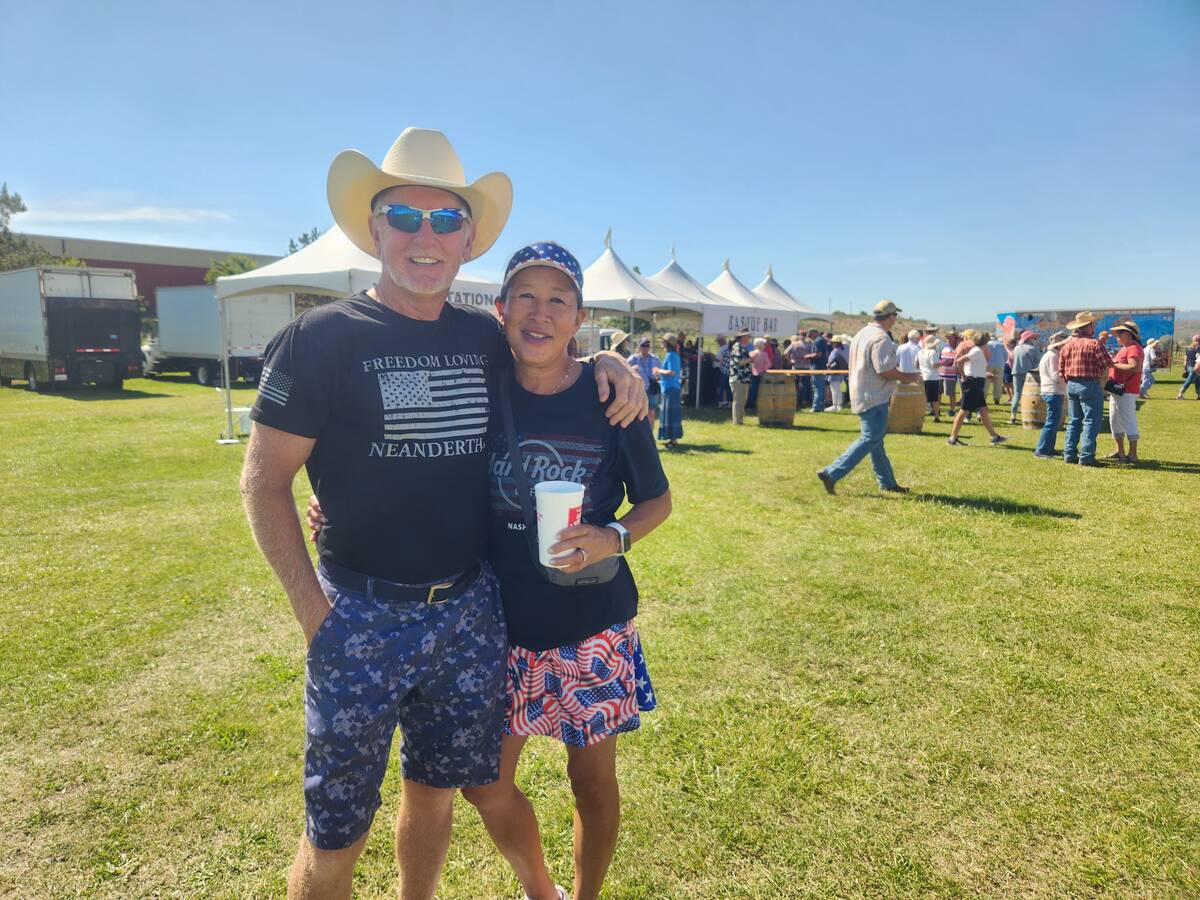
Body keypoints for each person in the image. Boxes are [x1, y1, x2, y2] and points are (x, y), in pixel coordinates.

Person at [238, 128, 645, 900]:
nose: (425, 236)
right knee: (335, 832)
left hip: (468, 612)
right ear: (373, 228)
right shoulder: (318, 341)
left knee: (435, 793)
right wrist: (314, 615)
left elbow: (548, 344)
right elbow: (263, 484)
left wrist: (609, 361)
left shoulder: (484, 339)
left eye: (446, 220)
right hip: (358, 613)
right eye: (404, 215)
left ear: (467, 242)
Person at [816, 300, 921, 495]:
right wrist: (907, 376)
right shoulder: (881, 338)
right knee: (870, 438)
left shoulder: (862, 334)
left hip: (861, 391)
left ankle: (887, 482)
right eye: (895, 316)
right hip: (874, 395)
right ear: (890, 317)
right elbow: (885, 370)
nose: (896, 320)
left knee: (876, 440)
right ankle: (832, 473)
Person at [1058, 310, 1113, 466]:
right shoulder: (1095, 344)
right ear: (1089, 326)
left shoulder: (1067, 346)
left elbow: (1061, 369)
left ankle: (1069, 454)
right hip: (1089, 384)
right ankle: (1087, 457)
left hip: (1072, 385)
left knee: (1074, 421)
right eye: (1093, 324)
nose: (1095, 326)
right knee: (1091, 421)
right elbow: (1107, 364)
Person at [945, 334, 1007, 447]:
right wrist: (963, 376)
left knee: (983, 410)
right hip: (972, 384)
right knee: (963, 411)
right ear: (985, 342)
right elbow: (959, 361)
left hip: (976, 383)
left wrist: (984, 374)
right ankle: (952, 439)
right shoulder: (977, 351)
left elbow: (973, 367)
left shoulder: (977, 351)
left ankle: (994, 436)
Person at [1107, 321, 1144, 462]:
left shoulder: (1133, 348)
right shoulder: (1127, 348)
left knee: (1128, 420)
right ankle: (1120, 451)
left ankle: (1132, 454)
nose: (1116, 336)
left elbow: (1135, 367)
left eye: (1119, 333)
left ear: (1128, 334)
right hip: (1119, 390)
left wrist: (1114, 365)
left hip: (1126, 390)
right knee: (1115, 420)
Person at [1033, 331, 1070, 458]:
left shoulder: (1050, 355)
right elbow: (1056, 377)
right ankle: (1042, 450)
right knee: (1052, 422)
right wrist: (1068, 372)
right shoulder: (1054, 356)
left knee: (1053, 422)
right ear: (1059, 345)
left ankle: (1049, 448)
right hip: (1053, 391)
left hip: (1051, 391)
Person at [655, 336, 683, 448]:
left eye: (663, 342)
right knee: (672, 415)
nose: (661, 344)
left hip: (670, 388)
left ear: (667, 344)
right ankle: (673, 439)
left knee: (670, 415)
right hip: (672, 387)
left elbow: (672, 372)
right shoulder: (675, 355)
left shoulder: (671, 355)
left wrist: (658, 370)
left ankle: (673, 440)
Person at [1009, 330, 1042, 424]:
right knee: (1030, 395)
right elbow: (1038, 362)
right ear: (1029, 338)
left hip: (1016, 373)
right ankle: (1029, 415)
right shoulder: (1033, 349)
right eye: (1033, 338)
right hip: (1029, 374)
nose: (1034, 339)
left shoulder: (1016, 348)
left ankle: (1013, 415)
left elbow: (1011, 360)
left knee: (1017, 394)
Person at [627, 338, 660, 430]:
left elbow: (659, 373)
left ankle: (650, 435)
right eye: (643, 345)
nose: (646, 348)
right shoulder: (633, 358)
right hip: (638, 388)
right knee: (638, 412)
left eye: (647, 345)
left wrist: (657, 374)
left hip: (652, 387)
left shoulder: (655, 358)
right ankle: (640, 433)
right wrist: (632, 368)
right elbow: (624, 369)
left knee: (651, 412)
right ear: (639, 347)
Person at [728, 330, 752, 424]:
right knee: (738, 400)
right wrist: (751, 359)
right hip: (738, 378)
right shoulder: (737, 347)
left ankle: (739, 420)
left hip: (743, 378)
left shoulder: (742, 347)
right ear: (743, 337)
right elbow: (739, 362)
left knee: (742, 400)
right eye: (748, 336)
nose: (749, 338)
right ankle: (737, 421)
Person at [918, 334, 943, 422]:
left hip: (923, 377)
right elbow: (934, 365)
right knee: (934, 399)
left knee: (923, 398)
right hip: (932, 377)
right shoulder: (932, 352)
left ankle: (920, 416)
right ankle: (936, 416)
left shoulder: (920, 351)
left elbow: (916, 364)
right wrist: (943, 363)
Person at [805, 328, 830, 412]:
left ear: (814, 333)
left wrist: (807, 356)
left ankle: (816, 407)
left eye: (810, 334)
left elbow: (818, 354)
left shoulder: (818, 341)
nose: (809, 336)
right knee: (821, 388)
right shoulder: (821, 340)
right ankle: (820, 406)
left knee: (817, 388)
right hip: (821, 367)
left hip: (817, 367)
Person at [938, 331, 960, 415]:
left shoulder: (957, 348)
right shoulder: (944, 347)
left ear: (955, 338)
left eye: (951, 338)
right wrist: (942, 362)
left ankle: (952, 410)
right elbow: (939, 357)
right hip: (940, 373)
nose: (949, 339)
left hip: (951, 374)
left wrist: (950, 362)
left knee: (951, 393)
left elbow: (958, 360)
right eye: (948, 338)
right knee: (938, 392)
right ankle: (937, 409)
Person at [826, 335, 849, 412]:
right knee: (838, 390)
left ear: (835, 343)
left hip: (834, 372)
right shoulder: (844, 349)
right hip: (840, 373)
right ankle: (839, 405)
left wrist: (828, 365)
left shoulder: (835, 351)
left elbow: (830, 362)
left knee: (834, 389)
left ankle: (835, 405)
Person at [747, 336, 770, 411]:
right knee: (760, 391)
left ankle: (750, 405)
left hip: (753, 373)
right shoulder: (764, 354)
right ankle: (758, 405)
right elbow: (768, 364)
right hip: (762, 374)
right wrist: (765, 369)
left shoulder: (751, 353)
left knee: (752, 390)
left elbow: (748, 363)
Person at [986, 331, 1008, 404]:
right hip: (1000, 365)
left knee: (986, 382)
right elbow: (1006, 355)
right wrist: (1003, 362)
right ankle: (997, 399)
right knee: (998, 383)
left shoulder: (987, 344)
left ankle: (983, 397)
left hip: (989, 364)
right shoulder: (1001, 344)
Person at [1178, 335, 1200, 399]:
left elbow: (1185, 358)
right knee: (1189, 381)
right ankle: (1180, 394)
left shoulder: (1189, 347)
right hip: (1196, 366)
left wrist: (1185, 367)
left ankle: (1199, 395)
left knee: (1198, 381)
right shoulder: (1198, 347)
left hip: (1189, 365)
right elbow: (1198, 356)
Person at [714, 335, 732, 407]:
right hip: (729, 371)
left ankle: (721, 402)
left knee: (721, 387)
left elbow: (719, 360)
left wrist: (711, 356)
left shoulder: (724, 351)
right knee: (728, 388)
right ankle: (729, 402)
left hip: (723, 371)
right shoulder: (732, 351)